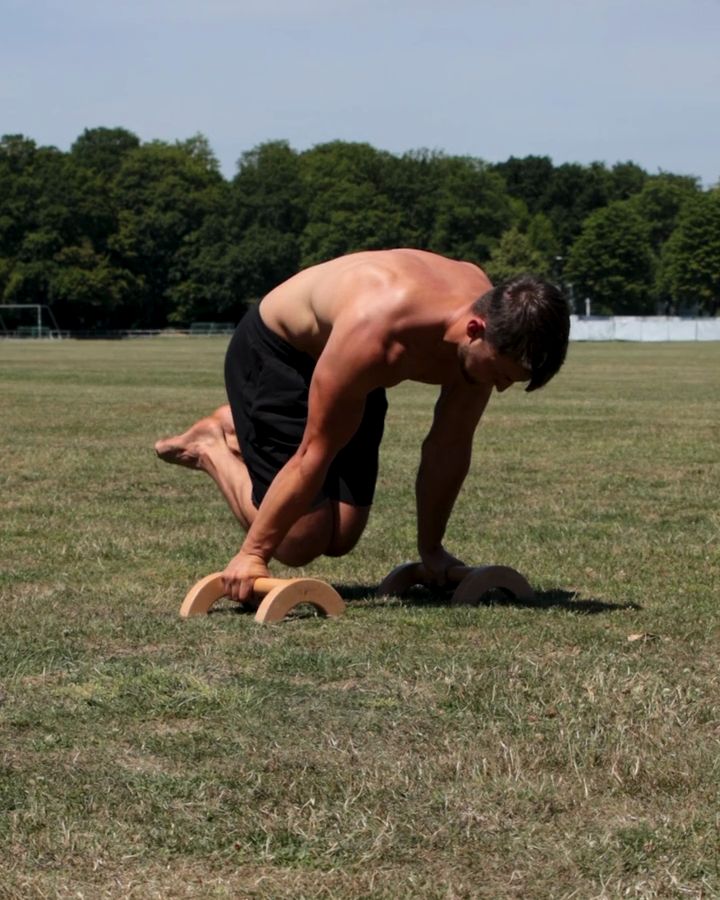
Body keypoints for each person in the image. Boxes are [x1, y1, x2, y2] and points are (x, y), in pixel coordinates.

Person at [155, 248, 569, 602]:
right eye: (500, 375)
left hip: (354, 366)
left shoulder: (485, 330)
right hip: (281, 352)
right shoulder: (378, 332)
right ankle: (210, 444)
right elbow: (313, 452)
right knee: (301, 541)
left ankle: (238, 430)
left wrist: (432, 550)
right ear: (475, 330)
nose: (499, 389)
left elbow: (449, 445)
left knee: (343, 535)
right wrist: (253, 554)